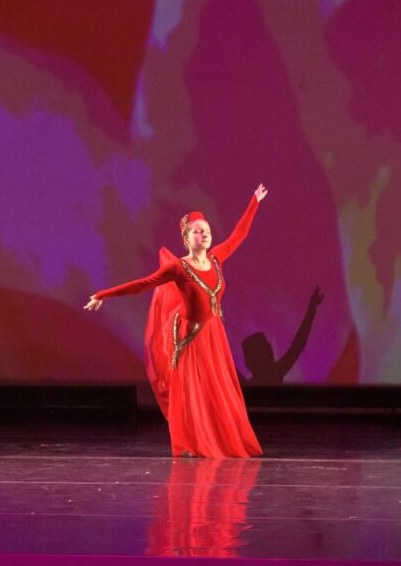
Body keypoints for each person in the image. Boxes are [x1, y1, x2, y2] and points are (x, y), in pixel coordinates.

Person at [84, 185, 267, 458]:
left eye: (206, 230)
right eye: (197, 231)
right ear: (186, 237)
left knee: (218, 387)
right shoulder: (178, 268)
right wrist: (103, 294)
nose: (203, 234)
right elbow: (141, 285)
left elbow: (239, 234)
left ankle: (220, 437)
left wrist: (254, 201)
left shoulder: (217, 259)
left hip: (213, 334)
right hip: (189, 336)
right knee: (192, 390)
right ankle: (192, 442)